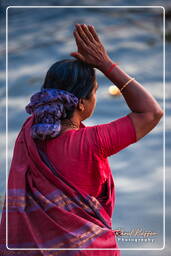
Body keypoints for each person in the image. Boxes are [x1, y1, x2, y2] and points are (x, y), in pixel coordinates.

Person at [0, 24, 163, 256]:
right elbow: (151, 112)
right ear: (81, 103)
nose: (96, 96)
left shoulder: (29, 132)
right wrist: (106, 64)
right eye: (95, 90)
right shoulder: (92, 143)